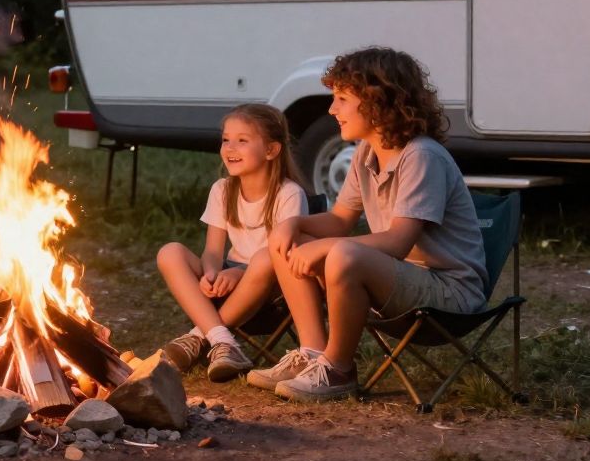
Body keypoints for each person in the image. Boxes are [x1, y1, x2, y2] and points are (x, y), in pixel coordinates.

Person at [249, 47, 487, 401]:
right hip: (401, 280)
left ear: (379, 101)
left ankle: (338, 370)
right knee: (288, 240)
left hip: (449, 292)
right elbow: (339, 220)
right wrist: (293, 224)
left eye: (342, 99)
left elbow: (397, 243)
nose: (332, 110)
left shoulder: (420, 156)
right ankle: (313, 354)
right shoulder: (366, 153)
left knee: (344, 255)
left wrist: (327, 247)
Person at [153, 103, 306, 381]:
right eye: (226, 139)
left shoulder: (289, 194)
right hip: (228, 279)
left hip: (273, 290)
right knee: (170, 252)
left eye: (242, 140)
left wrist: (240, 273)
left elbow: (281, 254)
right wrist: (211, 272)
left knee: (265, 258)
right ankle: (224, 341)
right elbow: (212, 250)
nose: (230, 148)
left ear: (271, 150)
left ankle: (200, 336)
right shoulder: (222, 189)